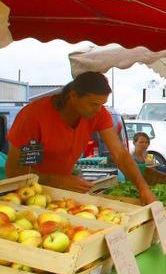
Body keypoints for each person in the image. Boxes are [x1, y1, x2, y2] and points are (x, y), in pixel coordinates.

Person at [5, 72, 156, 203]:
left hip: (61, 196)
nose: (99, 110)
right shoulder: (35, 117)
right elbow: (16, 171)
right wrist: (57, 180)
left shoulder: (98, 113)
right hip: (27, 195)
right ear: (73, 96)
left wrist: (143, 188)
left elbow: (120, 154)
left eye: (102, 104)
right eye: (93, 104)